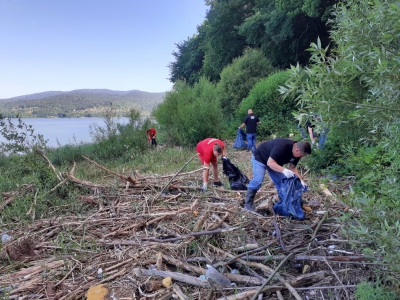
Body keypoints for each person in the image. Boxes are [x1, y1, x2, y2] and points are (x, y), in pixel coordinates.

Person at [244, 138, 311, 214]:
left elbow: (292, 167)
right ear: (297, 150)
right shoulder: (281, 146)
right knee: (258, 180)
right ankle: (248, 205)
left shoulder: (297, 154)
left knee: (281, 181)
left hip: (274, 163)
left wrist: (300, 180)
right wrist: (284, 170)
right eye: (301, 155)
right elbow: (270, 163)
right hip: (260, 158)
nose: (301, 157)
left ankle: (284, 203)